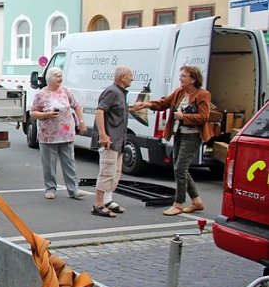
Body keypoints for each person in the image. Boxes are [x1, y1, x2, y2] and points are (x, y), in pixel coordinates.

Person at [133, 65, 212, 216]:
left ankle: (178, 204)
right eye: (181, 75)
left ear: (193, 79)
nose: (180, 78)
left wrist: (184, 117)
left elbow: (204, 117)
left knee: (179, 169)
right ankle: (196, 202)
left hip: (193, 136)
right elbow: (164, 103)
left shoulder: (203, 94)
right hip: (179, 134)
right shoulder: (179, 92)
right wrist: (147, 104)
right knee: (180, 168)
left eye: (184, 76)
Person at [30, 67, 87, 200]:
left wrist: (81, 121)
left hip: (66, 133)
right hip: (48, 135)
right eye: (57, 76)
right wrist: (47, 114)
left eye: (61, 76)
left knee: (69, 162)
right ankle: (50, 188)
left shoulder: (66, 91)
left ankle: (73, 189)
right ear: (50, 78)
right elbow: (33, 112)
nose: (60, 79)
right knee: (49, 163)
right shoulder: (41, 94)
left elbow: (77, 106)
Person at [91, 66, 138, 218]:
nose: (132, 78)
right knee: (106, 172)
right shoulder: (112, 91)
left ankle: (107, 200)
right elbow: (99, 111)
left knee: (115, 173)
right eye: (130, 76)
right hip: (110, 140)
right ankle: (98, 204)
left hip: (119, 141)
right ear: (123, 77)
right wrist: (103, 135)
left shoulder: (121, 93)